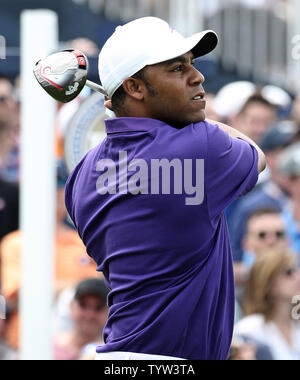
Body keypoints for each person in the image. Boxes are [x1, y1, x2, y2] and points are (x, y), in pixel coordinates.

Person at [65, 17, 266, 360]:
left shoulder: (81, 174)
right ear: (135, 88)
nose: (197, 76)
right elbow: (258, 156)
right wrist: (205, 118)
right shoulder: (201, 144)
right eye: (176, 68)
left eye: (191, 63)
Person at [0, 162, 98, 350]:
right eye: (47, 187)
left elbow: (100, 291)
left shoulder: (85, 243)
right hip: (25, 347)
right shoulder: (15, 243)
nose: (53, 194)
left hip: (84, 350)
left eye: (59, 186)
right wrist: (78, 285)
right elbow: (21, 294)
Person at [235, 249, 300, 360]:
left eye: (297, 270)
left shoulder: (296, 326)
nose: (298, 277)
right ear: (268, 282)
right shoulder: (248, 329)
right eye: (288, 272)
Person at [54, 278, 109, 360]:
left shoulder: (109, 355)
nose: (89, 315)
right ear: (71, 306)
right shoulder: (48, 346)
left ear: (108, 312)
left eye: (98, 307)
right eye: (83, 305)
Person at [234, 208, 290, 287]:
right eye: (262, 235)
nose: (271, 241)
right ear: (246, 244)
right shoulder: (232, 285)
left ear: (288, 241)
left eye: (279, 234)